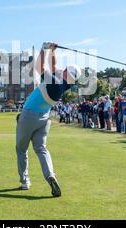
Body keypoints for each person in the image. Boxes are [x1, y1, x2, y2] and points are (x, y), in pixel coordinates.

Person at [16, 42, 81, 197]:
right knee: (41, 149)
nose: (62, 70)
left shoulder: (56, 82)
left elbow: (39, 67)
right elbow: (53, 67)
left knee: (21, 149)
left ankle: (25, 181)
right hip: (45, 119)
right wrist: (52, 51)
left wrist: (43, 49)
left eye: (64, 70)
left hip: (29, 115)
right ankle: (50, 175)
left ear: (66, 73)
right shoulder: (65, 85)